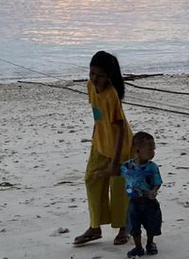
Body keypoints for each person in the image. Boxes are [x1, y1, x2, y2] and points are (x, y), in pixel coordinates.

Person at [73, 51, 132, 246]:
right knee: (92, 179)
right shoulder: (90, 86)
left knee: (119, 188)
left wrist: (115, 162)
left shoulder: (112, 95)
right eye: (92, 73)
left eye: (100, 75)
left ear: (109, 76)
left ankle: (124, 228)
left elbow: (120, 129)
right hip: (100, 143)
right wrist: (94, 137)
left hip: (120, 148)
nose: (95, 78)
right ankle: (95, 227)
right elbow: (97, 115)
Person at [121, 131, 163, 257]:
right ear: (137, 149)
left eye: (154, 149)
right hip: (134, 202)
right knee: (134, 226)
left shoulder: (152, 167)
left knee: (152, 224)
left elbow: (157, 182)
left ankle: (150, 243)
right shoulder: (127, 166)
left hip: (149, 202)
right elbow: (117, 172)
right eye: (150, 149)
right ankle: (138, 247)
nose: (153, 152)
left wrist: (153, 191)